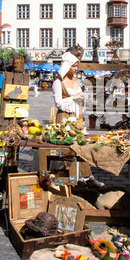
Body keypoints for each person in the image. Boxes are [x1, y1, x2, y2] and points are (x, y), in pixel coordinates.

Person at [52, 51, 104, 188]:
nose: (76, 69)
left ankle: (87, 175)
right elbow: (58, 103)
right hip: (64, 117)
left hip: (77, 116)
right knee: (68, 148)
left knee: (81, 146)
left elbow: (79, 95)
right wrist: (73, 98)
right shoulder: (58, 82)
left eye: (77, 66)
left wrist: (82, 97)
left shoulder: (76, 80)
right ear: (67, 65)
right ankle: (71, 176)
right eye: (73, 66)